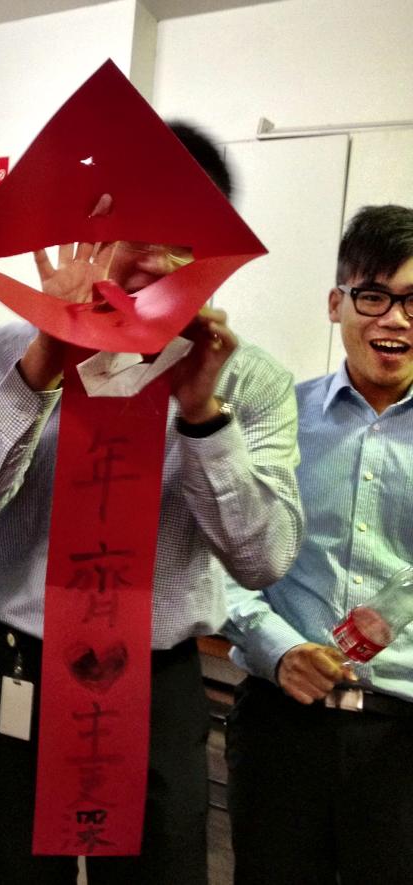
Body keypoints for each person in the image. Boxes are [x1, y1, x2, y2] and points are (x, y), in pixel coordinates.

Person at [0, 123, 303, 885]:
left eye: (184, 244)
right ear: (92, 231)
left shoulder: (247, 378)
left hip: (155, 683)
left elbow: (264, 558)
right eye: (135, 233)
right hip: (19, 667)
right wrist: (44, 358)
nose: (155, 263)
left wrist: (202, 416)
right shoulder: (13, 346)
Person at [223, 204, 413, 885]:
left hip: (402, 740)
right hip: (281, 723)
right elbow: (219, 559)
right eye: (374, 295)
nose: (397, 319)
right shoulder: (277, 419)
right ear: (337, 304)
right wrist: (278, 648)